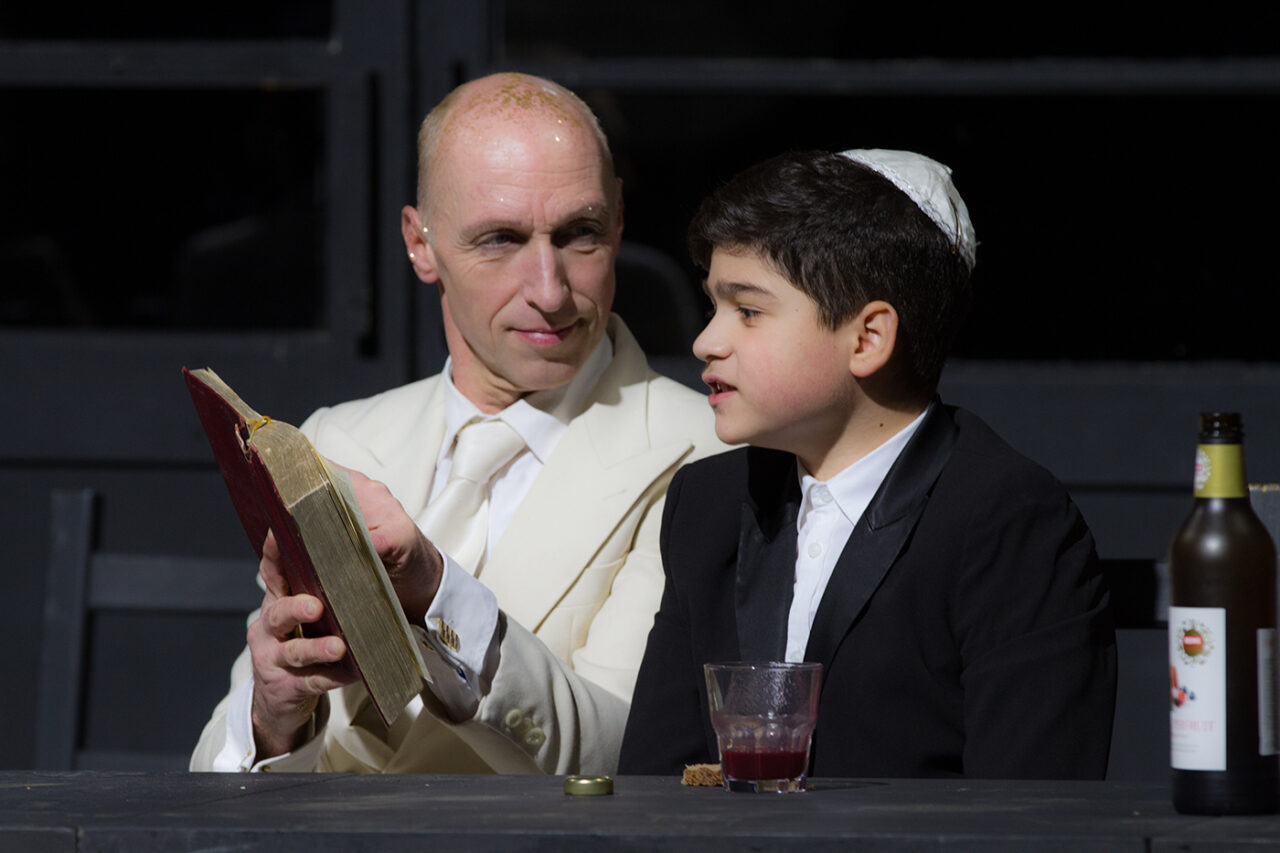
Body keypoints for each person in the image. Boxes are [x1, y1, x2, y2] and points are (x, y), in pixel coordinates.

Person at [190, 72, 722, 774]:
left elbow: (628, 756)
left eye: (579, 234)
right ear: (420, 243)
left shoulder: (706, 452)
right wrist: (273, 716)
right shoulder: (335, 439)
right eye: (500, 239)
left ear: (620, 220)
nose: (549, 289)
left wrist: (440, 593)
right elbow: (213, 772)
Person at [618, 148, 1117, 778]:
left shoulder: (1004, 521)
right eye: (714, 307)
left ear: (867, 338)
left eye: (747, 311)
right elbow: (656, 775)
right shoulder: (710, 503)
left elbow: (1030, 809)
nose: (706, 341)